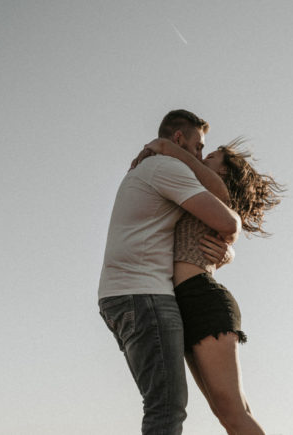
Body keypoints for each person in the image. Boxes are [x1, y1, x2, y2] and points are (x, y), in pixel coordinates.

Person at [98, 109, 241, 435]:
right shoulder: (167, 166)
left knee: (165, 404)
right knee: (166, 407)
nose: (200, 155)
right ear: (179, 139)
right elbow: (228, 220)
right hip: (144, 295)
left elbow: (191, 235)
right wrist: (171, 151)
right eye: (199, 146)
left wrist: (226, 254)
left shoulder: (156, 168)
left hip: (126, 295)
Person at [138, 136, 283, 435]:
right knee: (225, 413)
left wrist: (168, 147)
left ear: (225, 173)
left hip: (203, 300)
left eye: (213, 156)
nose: (203, 158)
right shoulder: (195, 192)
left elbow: (225, 218)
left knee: (234, 413)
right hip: (184, 305)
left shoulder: (215, 194)